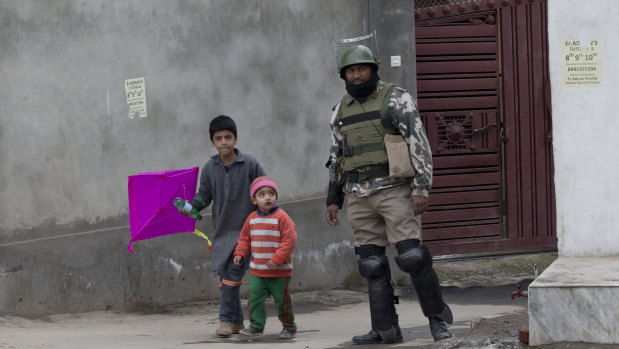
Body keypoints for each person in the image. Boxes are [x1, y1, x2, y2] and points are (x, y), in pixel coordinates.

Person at [324, 45, 453, 344]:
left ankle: (437, 321)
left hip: (394, 189)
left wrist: (421, 187)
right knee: (371, 263)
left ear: (373, 69)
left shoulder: (396, 98)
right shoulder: (339, 111)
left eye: (362, 69)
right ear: (344, 75)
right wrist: (334, 199)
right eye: (350, 71)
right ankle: (386, 329)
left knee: (412, 256)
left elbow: (417, 142)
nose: (356, 75)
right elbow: (336, 157)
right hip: (357, 193)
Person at [181, 115, 266, 337]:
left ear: (236, 138)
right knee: (227, 279)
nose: (224, 142)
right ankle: (237, 322)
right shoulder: (210, 168)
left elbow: (264, 189)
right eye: (219, 138)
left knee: (231, 275)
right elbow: (204, 195)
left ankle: (225, 320)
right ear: (212, 142)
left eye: (228, 137)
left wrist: (266, 217)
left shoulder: (250, 164)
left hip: (246, 231)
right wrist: (192, 207)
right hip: (222, 231)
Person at [233, 176, 298, 339]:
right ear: (254, 200)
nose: (267, 197)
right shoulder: (252, 219)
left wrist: (278, 258)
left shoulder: (282, 217)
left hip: (279, 271)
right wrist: (240, 253)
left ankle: (289, 326)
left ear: (276, 196)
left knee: (282, 301)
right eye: (262, 195)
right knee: (254, 299)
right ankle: (256, 325)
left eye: (271, 193)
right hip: (258, 270)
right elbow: (244, 239)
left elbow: (290, 239)